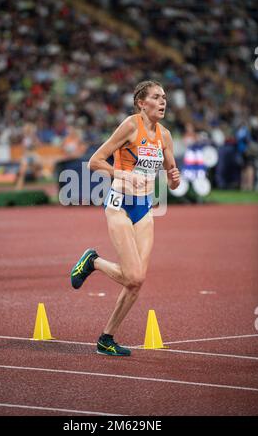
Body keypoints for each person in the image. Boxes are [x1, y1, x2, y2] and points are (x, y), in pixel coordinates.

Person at [70, 81, 180, 356]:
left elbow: (173, 177)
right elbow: (95, 161)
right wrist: (121, 174)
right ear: (142, 103)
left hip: (144, 207)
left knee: (136, 281)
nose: (163, 101)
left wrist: (175, 179)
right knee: (132, 274)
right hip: (119, 203)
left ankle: (106, 338)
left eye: (164, 97)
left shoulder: (165, 136)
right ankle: (92, 261)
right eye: (156, 97)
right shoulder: (131, 126)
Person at [15, 123, 42, 190]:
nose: (25, 131)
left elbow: (39, 145)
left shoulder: (33, 137)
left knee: (37, 169)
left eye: (26, 129)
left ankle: (36, 185)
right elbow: (23, 148)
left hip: (33, 155)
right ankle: (19, 187)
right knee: (22, 172)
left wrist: (34, 141)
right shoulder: (25, 138)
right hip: (27, 156)